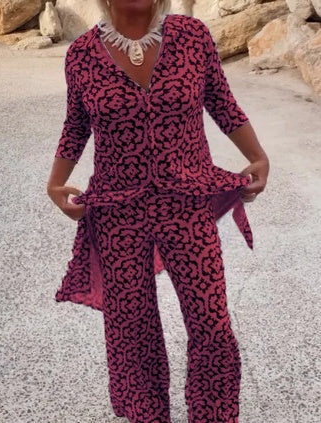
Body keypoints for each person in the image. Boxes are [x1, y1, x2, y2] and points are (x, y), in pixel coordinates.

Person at [47, 0, 269, 421]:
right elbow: (75, 125)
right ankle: (146, 414)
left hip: (187, 203)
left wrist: (257, 156)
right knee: (132, 328)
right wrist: (56, 183)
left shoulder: (193, 37)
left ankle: (215, 414)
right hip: (117, 212)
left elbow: (222, 103)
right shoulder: (81, 55)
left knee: (211, 320)